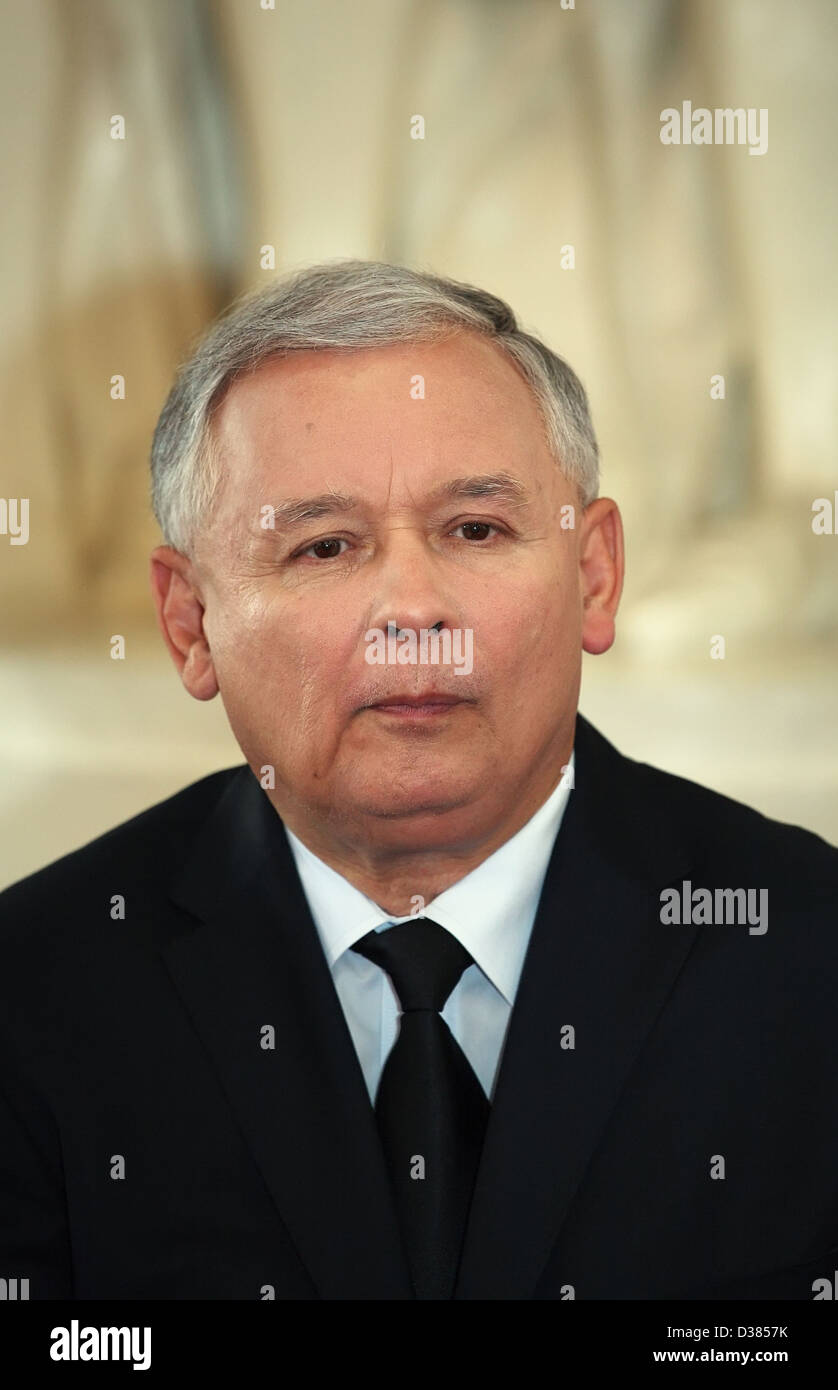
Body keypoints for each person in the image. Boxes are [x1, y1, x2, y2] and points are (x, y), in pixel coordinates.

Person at [1, 261, 836, 1301]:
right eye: (323, 546)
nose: (411, 610)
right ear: (189, 623)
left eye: (474, 530)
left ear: (594, 573)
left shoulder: (809, 950)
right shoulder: (33, 995)